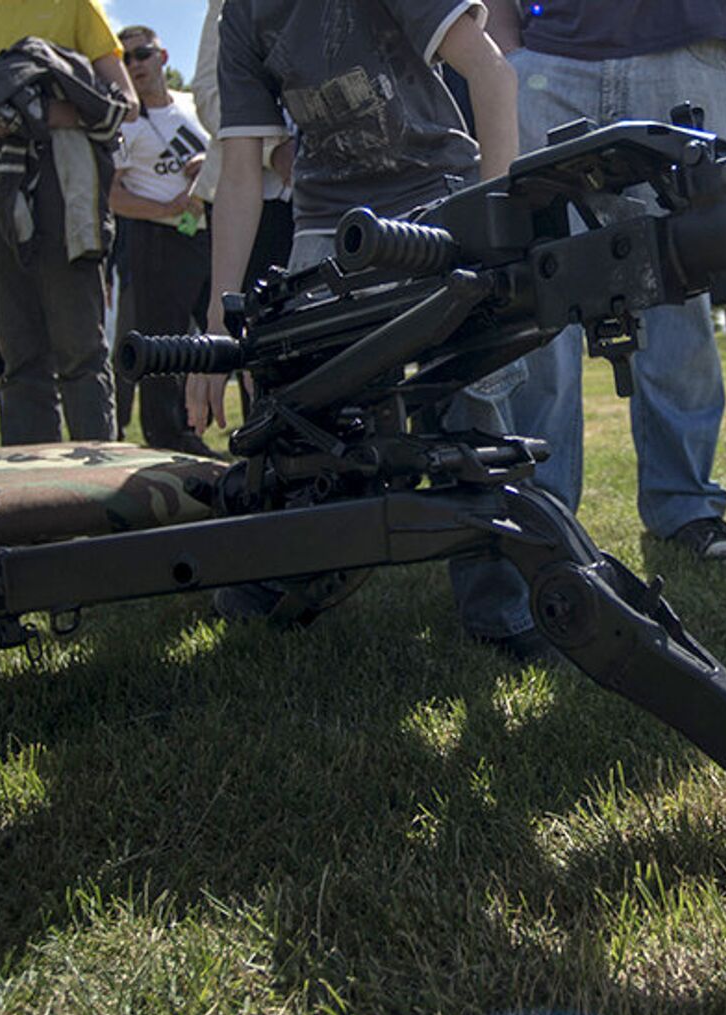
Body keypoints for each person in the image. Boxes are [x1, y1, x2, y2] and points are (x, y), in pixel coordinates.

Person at [197, 0, 548, 661]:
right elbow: (241, 170)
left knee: (470, 401)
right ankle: (292, 571)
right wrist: (221, 319)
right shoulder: (240, 16)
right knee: (296, 402)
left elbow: (493, 75)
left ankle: (500, 610)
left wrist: (495, 228)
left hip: (436, 197)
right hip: (329, 222)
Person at [483, 1, 726, 565]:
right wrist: (513, 53)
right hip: (548, 61)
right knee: (539, 289)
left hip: (687, 50)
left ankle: (686, 505)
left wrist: (725, 41)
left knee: (682, 279)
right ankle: (540, 511)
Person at [0, 0, 139, 446]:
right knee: (18, 350)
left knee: (80, 344)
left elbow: (126, 103)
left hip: (65, 178)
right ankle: (33, 491)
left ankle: (99, 481)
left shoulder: (77, 7)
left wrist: (36, 113)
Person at [108, 24, 213, 454]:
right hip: (156, 240)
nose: (135, 66)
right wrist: (166, 209)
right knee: (163, 344)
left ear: (163, 56)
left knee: (220, 334)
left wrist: (206, 161)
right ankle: (167, 439)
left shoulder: (193, 105)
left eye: (143, 54)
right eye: (125, 59)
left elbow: (225, 150)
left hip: (210, 234)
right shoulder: (123, 124)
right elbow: (113, 196)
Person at [192, 0, 293, 295]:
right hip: (250, 205)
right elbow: (210, 93)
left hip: (329, 195)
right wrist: (274, 151)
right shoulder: (232, 9)